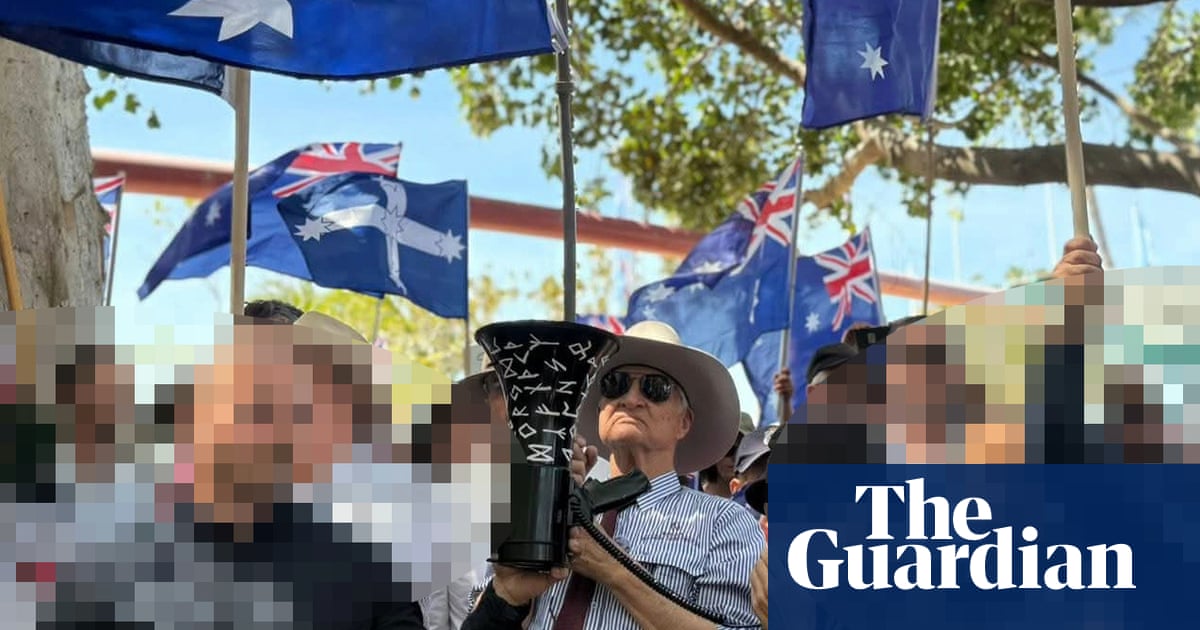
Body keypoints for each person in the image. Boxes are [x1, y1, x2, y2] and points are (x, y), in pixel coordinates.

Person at [463, 320, 765, 630]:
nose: (630, 398)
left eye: (655, 388)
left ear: (684, 422)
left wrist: (613, 570)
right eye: (615, 384)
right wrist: (507, 596)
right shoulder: (550, 511)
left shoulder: (723, 522)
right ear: (600, 410)